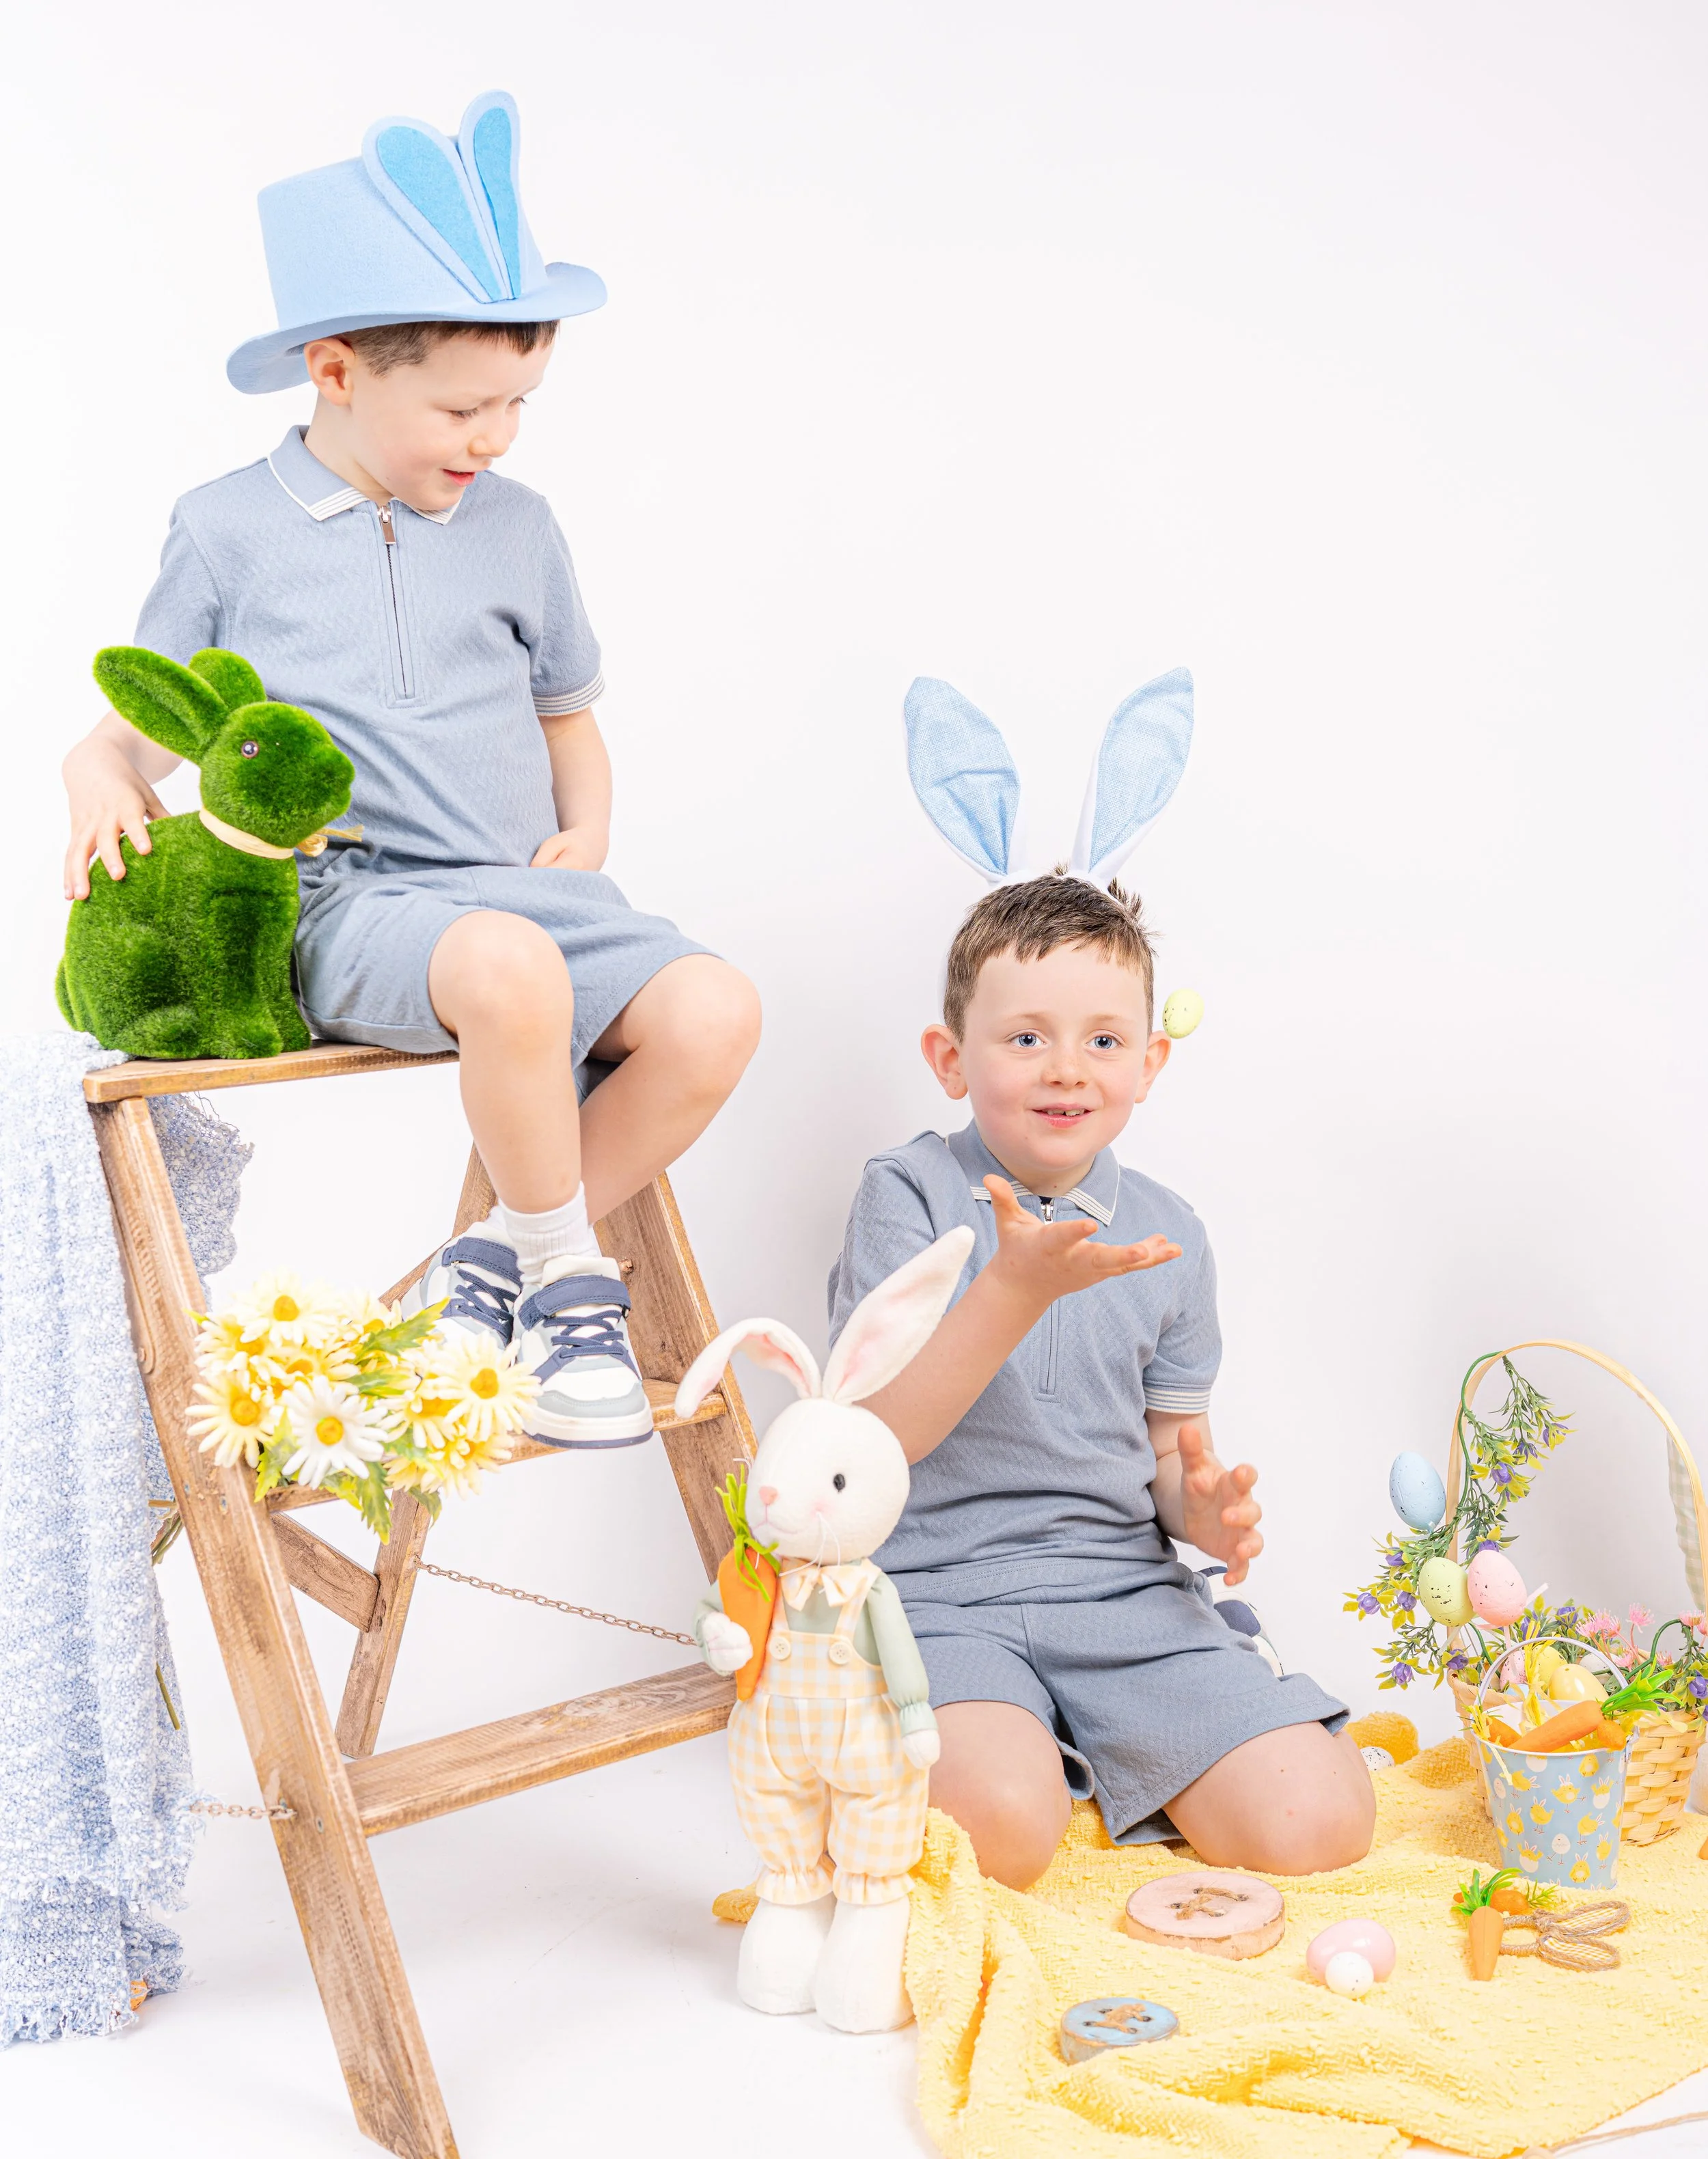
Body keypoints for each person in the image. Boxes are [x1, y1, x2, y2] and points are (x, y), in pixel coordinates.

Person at [60, 92, 760, 1449]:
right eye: (461, 405)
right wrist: (92, 764)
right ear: (334, 370)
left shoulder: (518, 527)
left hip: (518, 895)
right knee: (506, 968)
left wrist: (590, 826)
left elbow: (566, 713)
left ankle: (485, 1265)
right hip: (352, 908)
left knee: (715, 1010)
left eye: (516, 404)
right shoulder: (225, 532)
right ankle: (572, 1286)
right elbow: (149, 714)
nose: (493, 437)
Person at [828, 872, 1375, 1886]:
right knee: (996, 1834)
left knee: (1321, 1817)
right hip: (939, 1592)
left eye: (1104, 1040)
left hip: (1118, 1588)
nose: (1066, 1069)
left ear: (1150, 1062)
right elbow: (871, 1444)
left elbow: (1171, 1452)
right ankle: (1037, 1748)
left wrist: (1201, 1509)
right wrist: (1012, 1288)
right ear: (952, 1059)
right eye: (1025, 1037)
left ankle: (1108, 1736)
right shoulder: (904, 1193)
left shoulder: (1171, 1234)